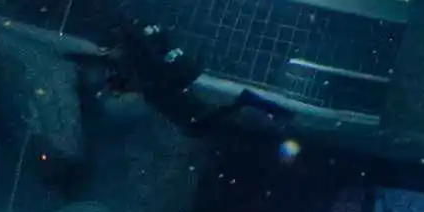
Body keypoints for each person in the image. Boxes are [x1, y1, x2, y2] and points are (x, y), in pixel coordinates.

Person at [87, 20, 290, 133]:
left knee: (200, 122)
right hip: (172, 80)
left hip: (171, 80)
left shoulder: (134, 48)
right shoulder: (133, 46)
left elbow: (155, 57)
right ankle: (258, 109)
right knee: (201, 121)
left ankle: (257, 108)